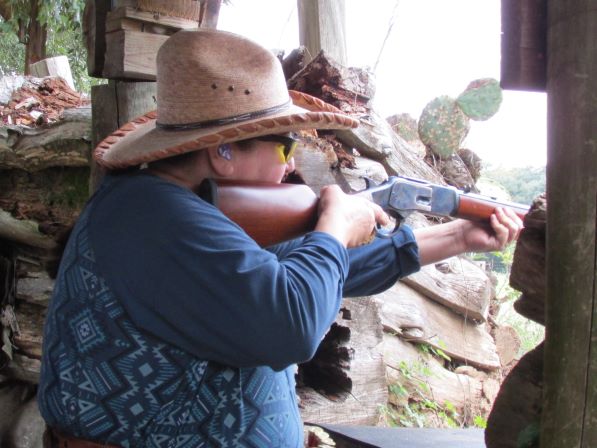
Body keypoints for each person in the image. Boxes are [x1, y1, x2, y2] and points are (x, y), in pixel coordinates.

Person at [37, 29, 522, 448]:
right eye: (286, 146)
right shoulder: (155, 217)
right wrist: (334, 230)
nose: (291, 165)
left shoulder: (182, 210)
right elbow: (291, 324)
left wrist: (459, 236)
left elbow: (320, 273)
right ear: (224, 153)